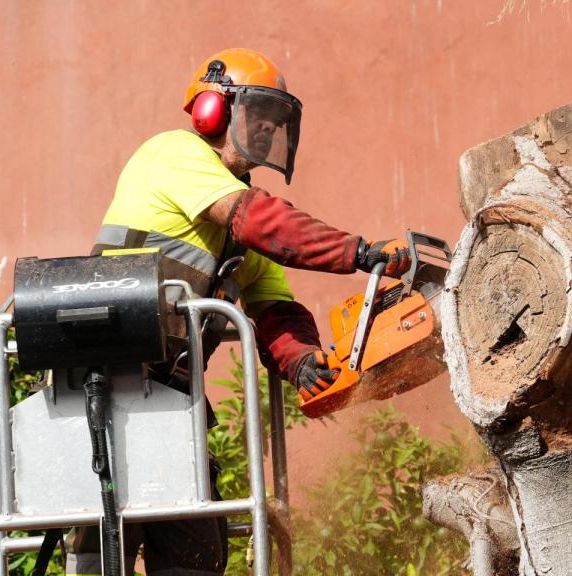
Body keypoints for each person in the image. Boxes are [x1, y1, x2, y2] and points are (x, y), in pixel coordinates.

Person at [66, 47, 411, 575]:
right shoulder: (175, 154)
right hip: (106, 390)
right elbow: (258, 222)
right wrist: (358, 253)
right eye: (258, 118)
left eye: (274, 124)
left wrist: (303, 363)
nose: (267, 133)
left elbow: (273, 307)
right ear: (213, 109)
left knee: (196, 556)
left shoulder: (243, 212)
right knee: (100, 556)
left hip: (174, 403)